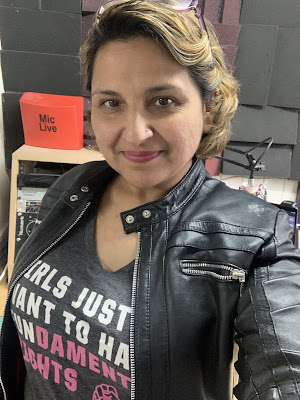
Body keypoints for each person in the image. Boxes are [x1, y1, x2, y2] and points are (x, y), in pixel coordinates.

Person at [1, 1, 300, 399]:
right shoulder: (73, 186)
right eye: (111, 103)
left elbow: (283, 371)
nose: (135, 133)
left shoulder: (257, 238)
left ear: (208, 109)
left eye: (163, 101)